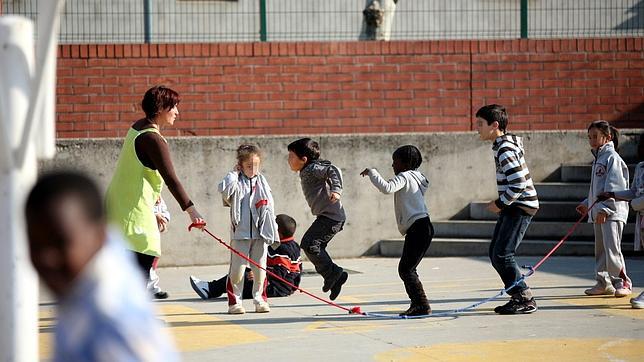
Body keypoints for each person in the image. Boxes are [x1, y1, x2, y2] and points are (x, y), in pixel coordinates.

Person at [25, 171, 178, 361]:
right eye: (35, 244)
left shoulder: (110, 324)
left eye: (61, 243)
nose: (46, 258)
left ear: (100, 235)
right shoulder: (100, 263)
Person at [105, 85, 205, 281]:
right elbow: (171, 179)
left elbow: (144, 174)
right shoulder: (152, 138)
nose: (177, 112)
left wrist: (156, 209)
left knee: (127, 272)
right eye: (173, 107)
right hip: (133, 212)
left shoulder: (138, 126)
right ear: (160, 109)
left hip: (122, 207)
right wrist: (192, 212)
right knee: (143, 261)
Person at [476, 104, 539, 314]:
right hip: (514, 205)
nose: (477, 128)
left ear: (494, 125)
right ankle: (518, 295)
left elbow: (519, 183)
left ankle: (524, 297)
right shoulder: (502, 146)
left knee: (502, 254)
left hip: (520, 205)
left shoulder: (505, 148)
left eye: (480, 124)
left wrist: (500, 203)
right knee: (496, 252)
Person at [360, 145, 434, 316]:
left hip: (418, 228)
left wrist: (372, 172)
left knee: (406, 269)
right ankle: (420, 304)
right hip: (424, 226)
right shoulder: (418, 177)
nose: (393, 165)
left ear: (405, 163)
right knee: (408, 268)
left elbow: (387, 188)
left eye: (395, 162)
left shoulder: (405, 176)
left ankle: (421, 304)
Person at [216, 144, 279, 314]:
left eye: (256, 166)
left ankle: (260, 299)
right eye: (249, 166)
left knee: (260, 270)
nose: (253, 170)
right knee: (237, 271)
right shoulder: (236, 180)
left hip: (260, 233)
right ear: (241, 165)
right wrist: (234, 173)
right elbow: (225, 191)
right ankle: (234, 302)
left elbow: (270, 206)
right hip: (240, 233)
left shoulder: (262, 182)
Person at [287, 138, 348, 300]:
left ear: (304, 159)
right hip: (326, 217)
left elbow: (333, 170)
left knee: (309, 244)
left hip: (332, 217)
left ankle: (334, 274)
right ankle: (335, 278)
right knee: (314, 247)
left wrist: (336, 190)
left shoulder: (313, 168)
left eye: (291, 157)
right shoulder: (307, 169)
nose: (288, 160)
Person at [577, 121, 632, 298]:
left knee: (612, 249)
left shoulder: (612, 158)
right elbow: (597, 189)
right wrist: (588, 203)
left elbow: (614, 186)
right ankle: (602, 282)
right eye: (589, 137)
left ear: (607, 137)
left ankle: (622, 282)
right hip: (599, 212)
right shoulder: (599, 159)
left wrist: (605, 210)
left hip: (612, 213)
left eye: (595, 136)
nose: (591, 140)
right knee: (600, 250)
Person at [190, 214, 302, 300]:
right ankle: (212, 288)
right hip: (282, 288)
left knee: (239, 276)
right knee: (242, 272)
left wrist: (262, 274)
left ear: (278, 233)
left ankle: (210, 289)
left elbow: (280, 273)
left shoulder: (281, 249)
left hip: (275, 288)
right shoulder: (293, 245)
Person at [598, 132, 644, 308]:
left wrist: (635, 204)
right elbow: (633, 191)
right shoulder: (640, 167)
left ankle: (625, 283)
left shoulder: (612, 159)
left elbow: (636, 199)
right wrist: (612, 195)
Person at [149, 196, 170, 299]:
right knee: (145, 260)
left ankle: (151, 288)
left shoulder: (158, 196)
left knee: (153, 259)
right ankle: (151, 289)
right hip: (141, 233)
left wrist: (164, 219)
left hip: (154, 234)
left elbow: (164, 210)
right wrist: (155, 215)